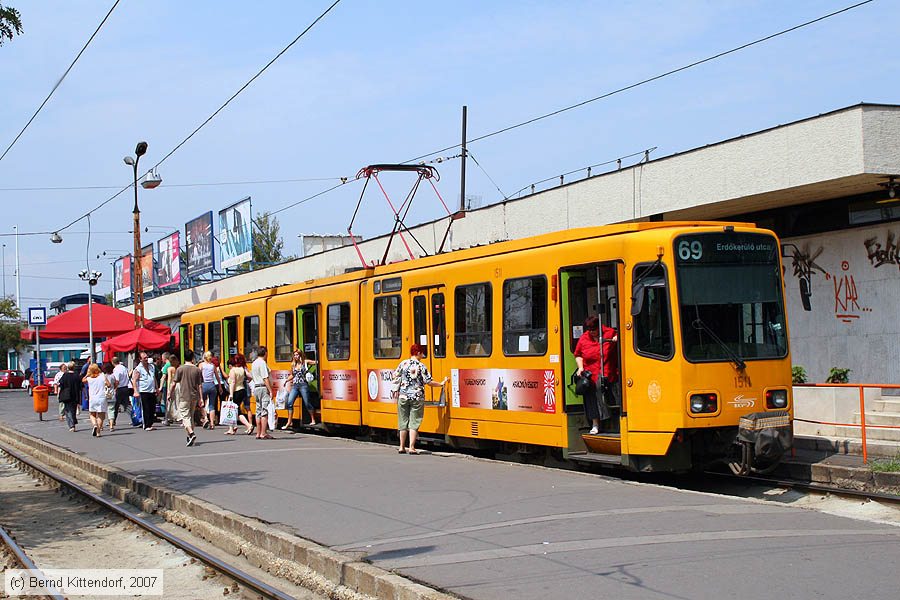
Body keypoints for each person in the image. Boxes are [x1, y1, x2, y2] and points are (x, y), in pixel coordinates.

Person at [391, 344, 447, 455]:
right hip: (417, 397)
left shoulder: (403, 363)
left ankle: (402, 447)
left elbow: (395, 376)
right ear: (418, 353)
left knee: (403, 422)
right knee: (414, 421)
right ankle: (411, 447)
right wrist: (441, 384)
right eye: (422, 353)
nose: (423, 355)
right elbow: (428, 381)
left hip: (403, 397)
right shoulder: (421, 366)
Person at [574, 315, 619, 435]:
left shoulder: (609, 333)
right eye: (590, 330)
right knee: (591, 389)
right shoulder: (584, 339)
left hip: (607, 371)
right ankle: (595, 423)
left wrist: (616, 339)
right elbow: (578, 354)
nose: (592, 332)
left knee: (601, 385)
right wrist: (581, 367)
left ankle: (609, 420)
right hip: (591, 372)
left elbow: (623, 337)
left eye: (594, 329)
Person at [174, 353, 203, 447]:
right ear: (193, 358)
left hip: (184, 396)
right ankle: (190, 436)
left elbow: (174, 382)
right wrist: (201, 398)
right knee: (190, 416)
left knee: (185, 416)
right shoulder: (197, 369)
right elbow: (200, 385)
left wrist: (169, 394)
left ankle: (191, 433)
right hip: (194, 396)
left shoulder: (180, 369)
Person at [284, 349, 317, 429]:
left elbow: (316, 362)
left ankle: (313, 419)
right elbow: (292, 375)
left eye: (297, 355)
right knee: (290, 402)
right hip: (295, 385)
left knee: (307, 403)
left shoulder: (305, 362)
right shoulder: (293, 364)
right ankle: (289, 422)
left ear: (300, 355)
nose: (296, 356)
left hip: (303, 385)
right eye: (294, 355)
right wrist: (286, 380)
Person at [225, 353, 254, 435]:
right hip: (243, 390)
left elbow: (232, 383)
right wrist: (248, 381)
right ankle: (232, 428)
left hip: (236, 392)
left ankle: (248, 425)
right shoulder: (242, 369)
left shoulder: (232, 370)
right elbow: (250, 376)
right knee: (235, 409)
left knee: (235, 410)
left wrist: (231, 394)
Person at [84, 363, 113, 437]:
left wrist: (87, 374)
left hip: (93, 398)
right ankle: (98, 432)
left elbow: (83, 380)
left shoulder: (89, 378)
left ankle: (95, 425)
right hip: (101, 397)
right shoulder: (102, 376)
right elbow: (109, 384)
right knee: (101, 415)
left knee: (92, 414)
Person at [250, 346, 273, 440]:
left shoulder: (254, 363)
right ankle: (263, 433)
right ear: (265, 353)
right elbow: (265, 378)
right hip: (263, 388)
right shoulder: (262, 363)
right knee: (264, 411)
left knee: (258, 411)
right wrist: (270, 390)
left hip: (256, 388)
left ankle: (258, 433)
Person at [132, 351, 158, 431]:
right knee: (145, 408)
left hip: (152, 390)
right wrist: (136, 391)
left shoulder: (151, 367)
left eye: (147, 357)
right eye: (144, 358)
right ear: (140, 359)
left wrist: (157, 388)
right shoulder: (138, 369)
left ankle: (150, 424)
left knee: (152, 408)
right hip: (143, 391)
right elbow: (134, 381)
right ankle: (146, 425)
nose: (146, 359)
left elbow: (154, 378)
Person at [108, 356, 132, 431]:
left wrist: (115, 388)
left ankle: (113, 420)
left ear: (113, 362)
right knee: (126, 404)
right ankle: (134, 417)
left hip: (120, 388)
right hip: (126, 387)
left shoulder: (116, 369)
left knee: (115, 405)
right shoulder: (124, 367)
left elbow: (117, 380)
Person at [58, 361, 81, 432]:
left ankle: (72, 425)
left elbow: (60, 384)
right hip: (76, 395)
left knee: (68, 410)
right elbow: (81, 386)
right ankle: (73, 421)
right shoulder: (77, 375)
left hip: (67, 395)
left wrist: (59, 393)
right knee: (73, 410)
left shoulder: (65, 375)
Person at [199, 351, 220, 430]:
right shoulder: (213, 366)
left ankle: (205, 418)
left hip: (204, 385)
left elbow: (198, 375)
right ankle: (212, 423)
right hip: (212, 385)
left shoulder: (201, 365)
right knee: (212, 405)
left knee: (202, 403)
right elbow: (217, 377)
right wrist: (220, 386)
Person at [164, 354, 180, 425]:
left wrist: (168, 390)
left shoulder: (170, 369)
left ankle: (169, 417)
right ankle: (178, 416)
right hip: (179, 385)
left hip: (172, 385)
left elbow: (169, 379)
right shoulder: (179, 368)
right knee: (178, 401)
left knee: (170, 402)